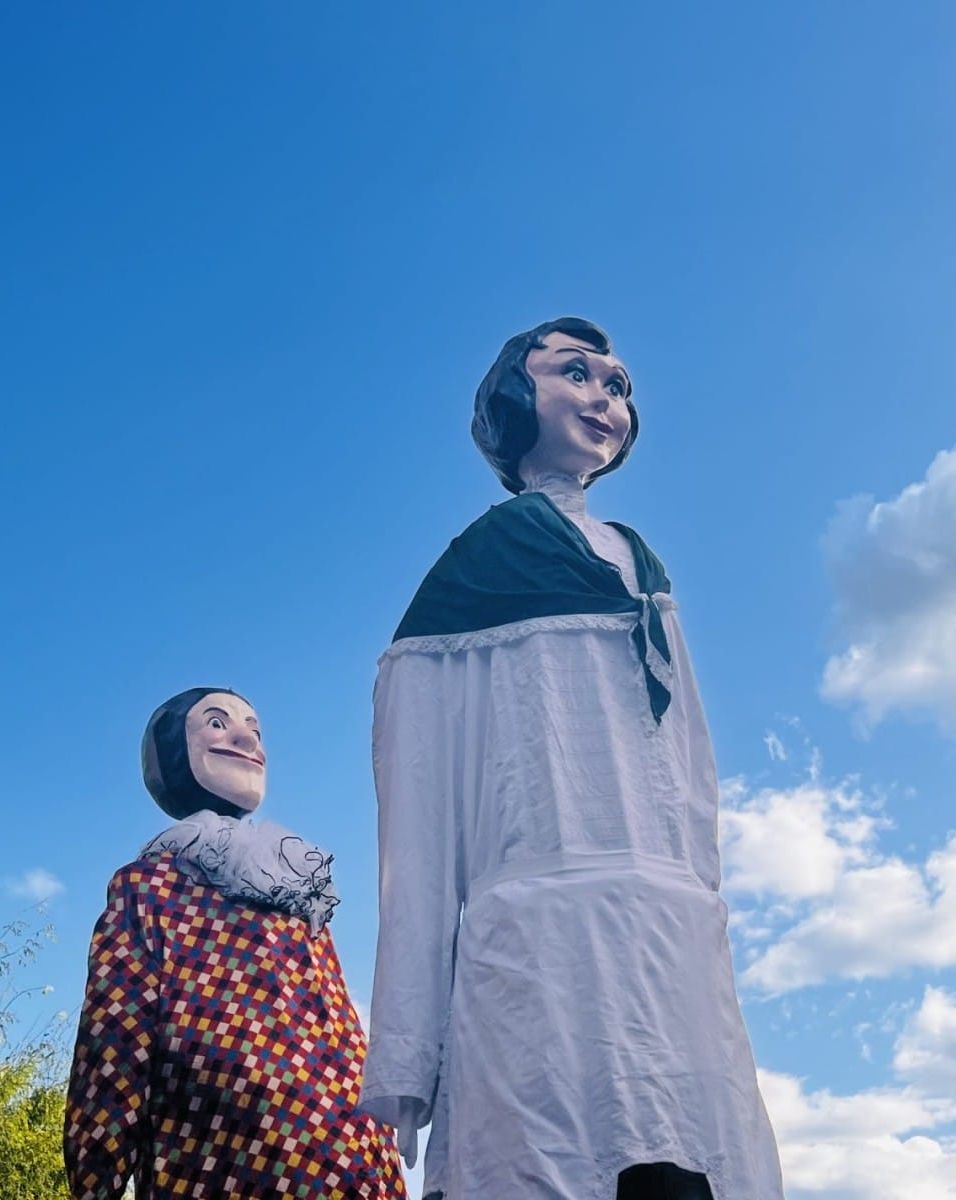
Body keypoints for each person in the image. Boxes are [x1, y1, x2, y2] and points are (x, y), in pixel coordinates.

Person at [360, 318, 784, 1199]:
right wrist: (406, 1049)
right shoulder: (470, 575)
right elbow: (417, 824)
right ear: (518, 396)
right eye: (576, 373)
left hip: (665, 938)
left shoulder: (643, 568)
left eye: (618, 385)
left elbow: (692, 771)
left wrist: (703, 909)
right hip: (539, 943)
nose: (604, 398)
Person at [65, 687, 405, 1199]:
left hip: (350, 1165)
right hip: (224, 1165)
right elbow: (114, 1046)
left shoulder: (296, 895)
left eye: (255, 729)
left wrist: (382, 1155)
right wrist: (97, 1180)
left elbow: (342, 1028)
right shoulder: (149, 887)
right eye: (218, 723)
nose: (248, 740)